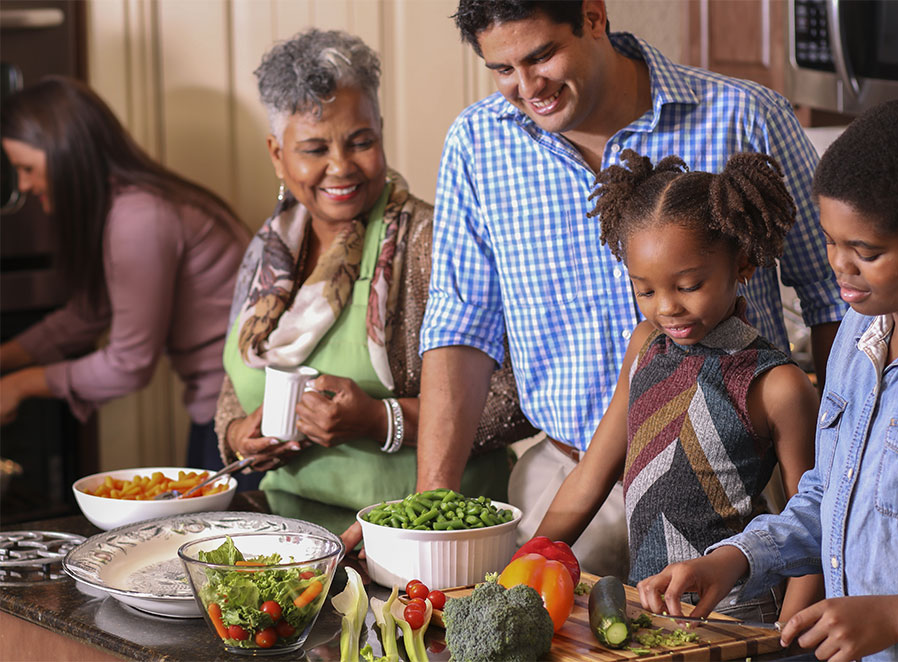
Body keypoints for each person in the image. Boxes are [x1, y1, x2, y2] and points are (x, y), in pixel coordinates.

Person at [417, 0, 845, 578]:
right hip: (569, 475)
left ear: (593, 17)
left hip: (743, 485)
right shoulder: (476, 143)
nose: (526, 86)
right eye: (501, 69)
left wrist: (842, 476)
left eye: (542, 56)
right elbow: (459, 325)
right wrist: (426, 514)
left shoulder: (745, 114)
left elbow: (832, 291)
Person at [639, 100, 898, 661]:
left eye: (866, 252)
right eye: (831, 240)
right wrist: (734, 558)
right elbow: (829, 494)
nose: (839, 266)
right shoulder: (859, 335)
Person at [215, 29, 535, 537]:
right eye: (314, 148)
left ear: (381, 131)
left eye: (360, 141)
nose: (340, 166)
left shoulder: (432, 240)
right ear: (277, 154)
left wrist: (377, 419)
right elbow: (235, 384)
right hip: (290, 535)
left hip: (429, 533)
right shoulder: (269, 251)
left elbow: (522, 397)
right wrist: (238, 434)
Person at [534, 149, 823, 622]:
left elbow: (811, 523)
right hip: (650, 607)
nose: (666, 307)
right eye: (645, 290)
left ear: (743, 263)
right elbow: (592, 474)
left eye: (688, 285)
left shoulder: (776, 384)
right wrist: (532, 556)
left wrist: (786, 636)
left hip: (739, 617)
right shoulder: (645, 345)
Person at [0, 77, 249, 473]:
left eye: (27, 169)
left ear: (66, 153)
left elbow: (129, 364)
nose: (25, 185)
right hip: (228, 410)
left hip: (245, 418)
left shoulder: (138, 218)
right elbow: (86, 316)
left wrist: (20, 384)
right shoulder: (130, 203)